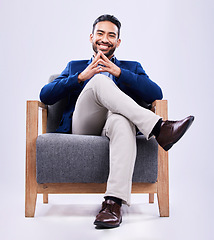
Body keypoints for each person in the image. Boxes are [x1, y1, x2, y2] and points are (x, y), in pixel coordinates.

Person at [40, 14, 194, 229]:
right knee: (100, 80)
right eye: (100, 33)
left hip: (113, 128)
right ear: (91, 37)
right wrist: (81, 77)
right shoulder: (75, 66)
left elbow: (155, 93)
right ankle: (160, 128)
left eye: (111, 35)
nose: (105, 39)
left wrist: (120, 73)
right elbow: (45, 96)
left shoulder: (132, 67)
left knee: (122, 121)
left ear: (118, 42)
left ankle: (113, 204)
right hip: (84, 126)